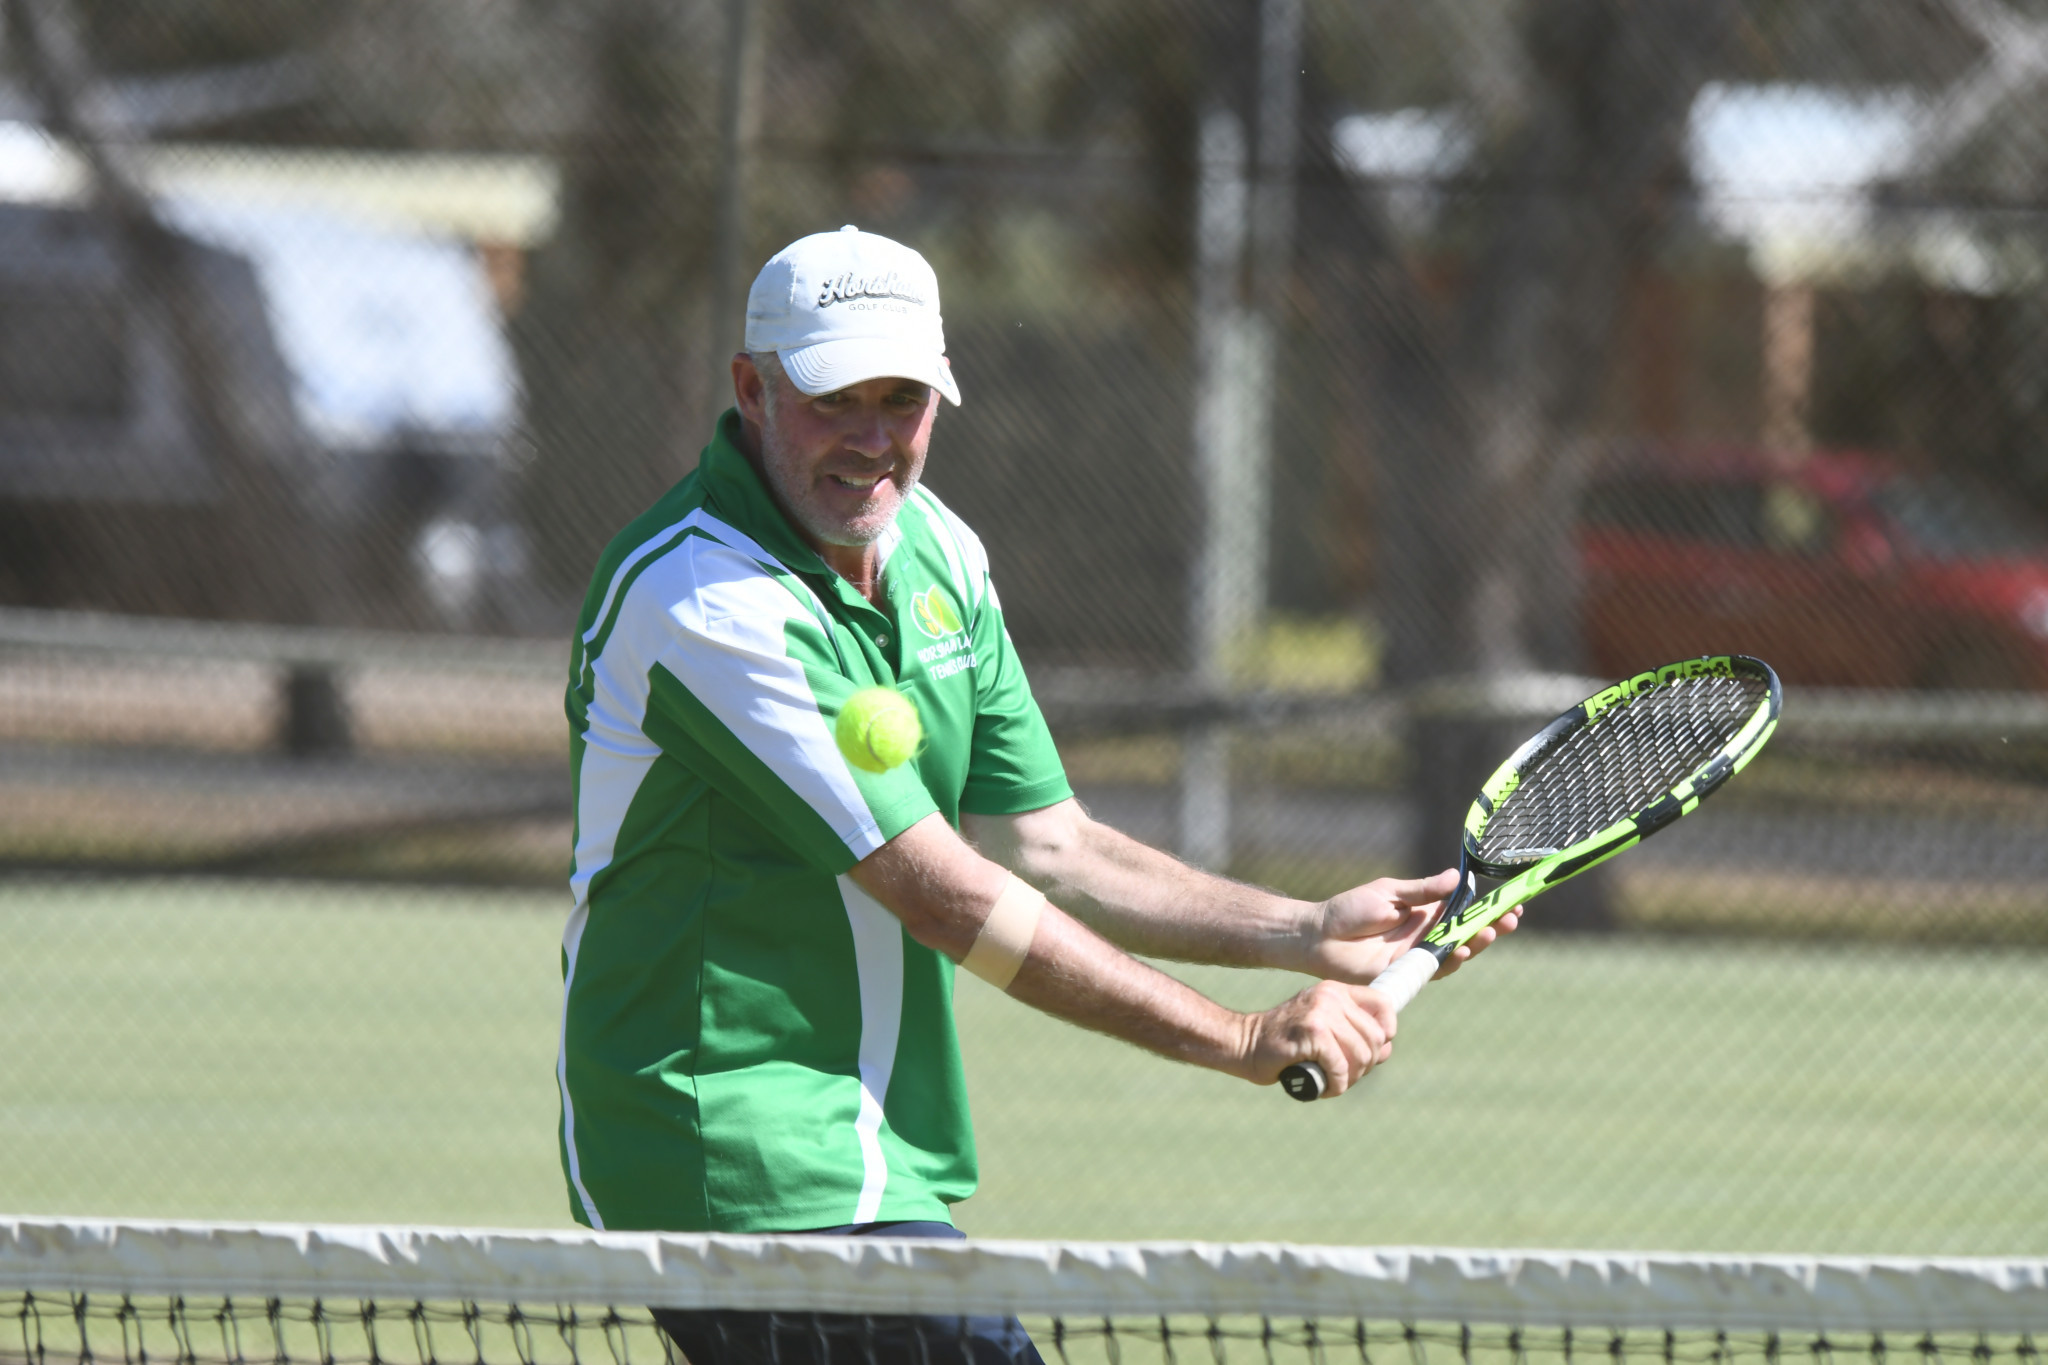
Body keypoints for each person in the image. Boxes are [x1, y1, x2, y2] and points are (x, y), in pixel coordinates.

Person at [555, 226, 1515, 1362]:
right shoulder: (703, 602)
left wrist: (1304, 931)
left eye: (901, 400)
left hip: (871, 1148)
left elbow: (1056, 846)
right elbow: (948, 900)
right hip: (726, 1146)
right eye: (832, 401)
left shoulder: (942, 556)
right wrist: (1241, 1036)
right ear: (751, 390)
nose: (871, 442)